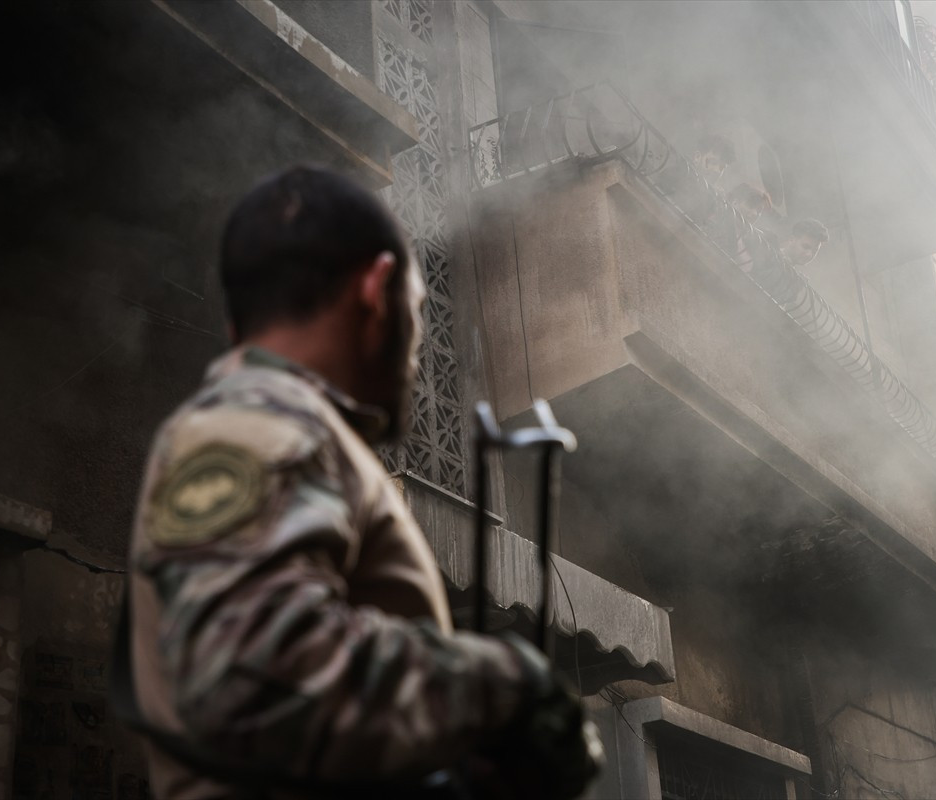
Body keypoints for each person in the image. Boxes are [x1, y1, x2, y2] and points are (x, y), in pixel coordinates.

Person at [125, 166, 601, 799]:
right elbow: (253, 677)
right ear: (376, 290)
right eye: (420, 307)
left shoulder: (296, 431)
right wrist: (508, 686)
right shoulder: (254, 422)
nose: (418, 346)